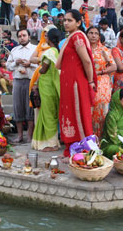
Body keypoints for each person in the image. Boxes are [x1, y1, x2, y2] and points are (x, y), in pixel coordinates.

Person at [55, 9, 96, 157]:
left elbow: (86, 61)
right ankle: (71, 149)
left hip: (76, 84)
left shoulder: (77, 36)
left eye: (69, 20)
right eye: (64, 20)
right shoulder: (71, 37)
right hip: (68, 83)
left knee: (77, 114)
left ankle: (82, 150)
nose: (66, 23)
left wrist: (90, 81)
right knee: (69, 114)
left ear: (78, 23)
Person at [31, 28, 61, 151]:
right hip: (53, 87)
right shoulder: (57, 52)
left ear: (50, 38)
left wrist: (40, 64)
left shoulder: (49, 53)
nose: (45, 38)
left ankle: (51, 144)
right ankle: (49, 142)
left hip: (47, 86)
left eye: (47, 36)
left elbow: (43, 70)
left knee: (47, 114)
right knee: (50, 113)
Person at [6, 29, 37, 143]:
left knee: (29, 109)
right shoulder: (14, 50)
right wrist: (16, 63)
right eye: (19, 36)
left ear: (29, 36)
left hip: (31, 81)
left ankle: (29, 135)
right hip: (18, 81)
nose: (22, 38)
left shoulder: (35, 49)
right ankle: (19, 136)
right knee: (18, 107)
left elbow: (40, 64)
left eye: (24, 35)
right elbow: (8, 66)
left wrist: (30, 64)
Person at [87, 26, 116, 138]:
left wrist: (101, 72)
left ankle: (101, 139)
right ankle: (89, 139)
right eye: (91, 33)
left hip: (101, 81)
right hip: (87, 82)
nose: (93, 35)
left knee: (101, 109)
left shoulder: (104, 50)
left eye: (96, 33)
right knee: (88, 110)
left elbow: (114, 66)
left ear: (99, 36)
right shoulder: (83, 49)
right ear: (87, 35)